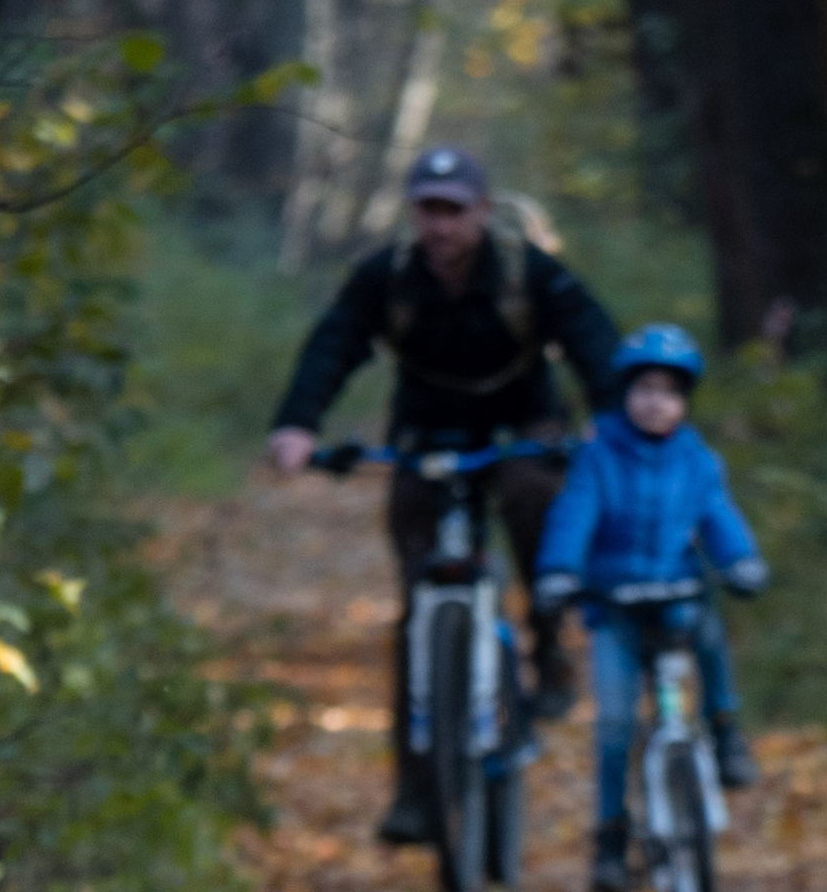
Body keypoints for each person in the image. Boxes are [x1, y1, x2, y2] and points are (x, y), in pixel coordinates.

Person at [266, 148, 623, 847]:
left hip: (523, 427)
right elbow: (334, 343)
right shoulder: (388, 278)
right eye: (428, 209)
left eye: (454, 209)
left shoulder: (528, 271)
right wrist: (297, 424)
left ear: (483, 212)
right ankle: (418, 795)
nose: (441, 225)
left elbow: (592, 341)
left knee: (534, 498)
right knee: (416, 612)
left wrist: (611, 422)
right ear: (413, 213)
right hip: (427, 434)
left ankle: (548, 640)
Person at [533, 325, 767, 892]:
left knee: (709, 629)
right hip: (613, 604)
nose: (655, 401)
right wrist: (559, 571)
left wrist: (741, 561)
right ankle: (610, 839)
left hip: (675, 594)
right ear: (624, 394)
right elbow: (574, 515)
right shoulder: (597, 455)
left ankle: (725, 727)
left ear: (684, 401)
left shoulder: (698, 461)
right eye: (643, 389)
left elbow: (718, 517)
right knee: (614, 723)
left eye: (668, 391)